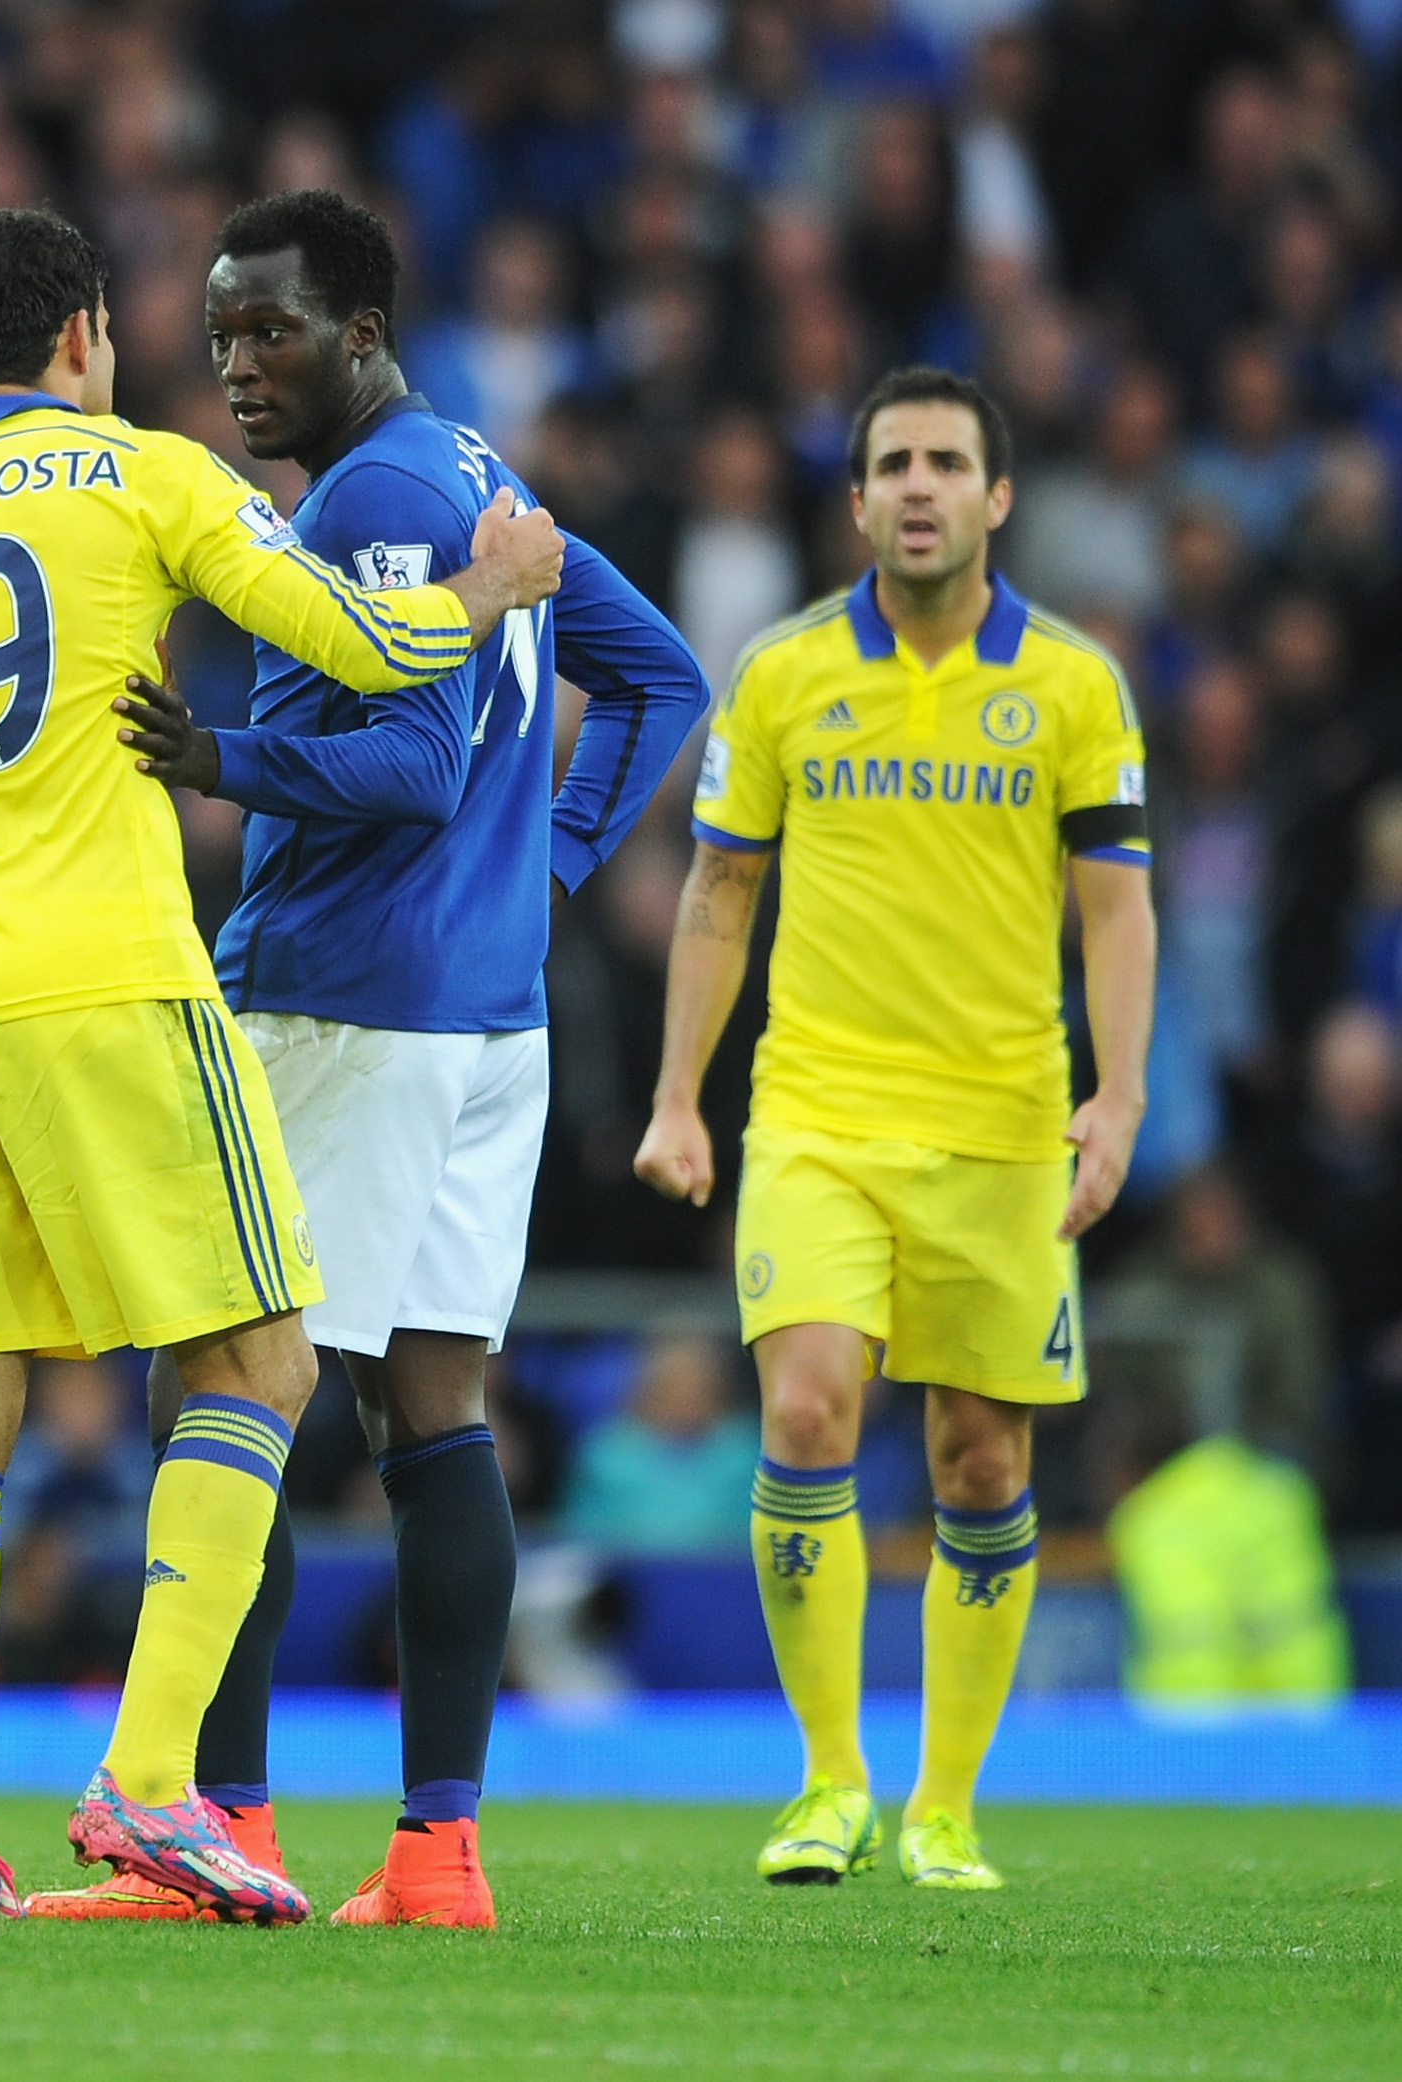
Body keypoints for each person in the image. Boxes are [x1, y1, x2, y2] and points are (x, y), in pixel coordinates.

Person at [0, 204, 562, 1923]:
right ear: (81, 332)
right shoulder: (141, 475)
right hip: (113, 982)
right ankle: (152, 1782)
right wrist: (491, 584)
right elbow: (367, 650)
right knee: (264, 1364)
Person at [36, 188, 709, 1929]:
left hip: (349, 1003)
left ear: (363, 329)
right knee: (431, 1413)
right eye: (221, 329)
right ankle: (437, 1855)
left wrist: (221, 758)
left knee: (226, 1392)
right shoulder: (477, 473)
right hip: (483, 1018)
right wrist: (543, 873)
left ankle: (219, 1831)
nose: (237, 361)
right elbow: (656, 678)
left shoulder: (384, 496)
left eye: (271, 327)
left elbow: (412, 762)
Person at [634, 366, 1158, 1891]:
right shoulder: (785, 671)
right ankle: (830, 1780)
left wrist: (1115, 1098)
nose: (919, 485)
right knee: (805, 1414)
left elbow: (1117, 913)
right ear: (855, 499)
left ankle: (944, 1803)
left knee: (982, 1460)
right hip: (820, 1114)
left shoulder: (1072, 684)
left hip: (1004, 1128)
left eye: (948, 462)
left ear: (998, 497)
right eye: (892, 463)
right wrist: (680, 1095)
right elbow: (721, 894)